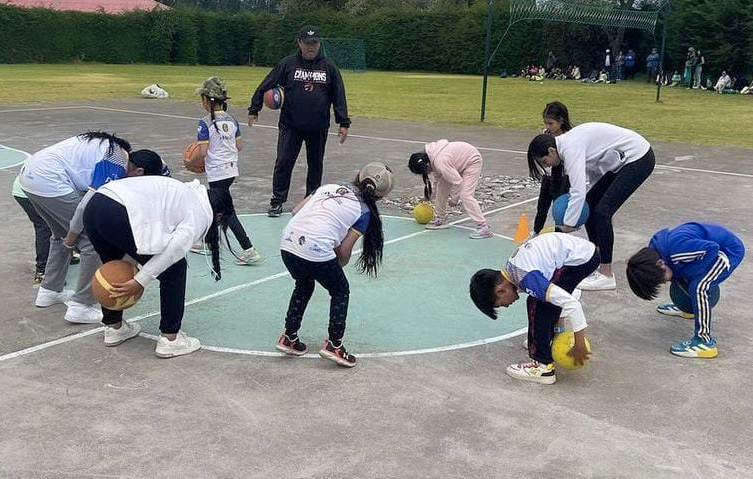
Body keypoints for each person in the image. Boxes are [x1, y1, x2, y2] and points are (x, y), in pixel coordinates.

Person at [82, 175, 237, 357]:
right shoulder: (200, 212)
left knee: (114, 267)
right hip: (119, 212)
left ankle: (114, 327)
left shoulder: (187, 192)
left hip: (95, 206)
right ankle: (170, 339)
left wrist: (139, 269)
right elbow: (174, 249)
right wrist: (141, 280)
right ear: (218, 215)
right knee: (175, 269)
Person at [19, 132, 163, 323]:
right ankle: (81, 305)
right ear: (139, 172)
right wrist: (72, 234)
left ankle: (49, 290)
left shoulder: (112, 148)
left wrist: (68, 234)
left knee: (58, 235)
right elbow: (85, 206)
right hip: (49, 181)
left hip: (29, 177)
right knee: (92, 239)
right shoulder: (115, 163)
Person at [275, 162, 394, 368]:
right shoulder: (364, 212)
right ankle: (334, 345)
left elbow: (295, 211)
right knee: (340, 290)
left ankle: (289, 337)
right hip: (315, 249)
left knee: (304, 285)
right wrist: (337, 266)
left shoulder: (327, 186)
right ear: (380, 197)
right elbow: (344, 251)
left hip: (287, 243)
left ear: (357, 174)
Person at [527, 122, 655, 291]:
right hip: (622, 161)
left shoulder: (570, 147)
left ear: (551, 151)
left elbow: (577, 190)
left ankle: (606, 274)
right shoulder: (567, 147)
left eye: (545, 161)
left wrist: (568, 225)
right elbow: (594, 175)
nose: (548, 166)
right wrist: (588, 206)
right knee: (592, 206)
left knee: (602, 213)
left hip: (638, 157)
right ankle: (596, 261)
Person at [247, 24, 351, 217]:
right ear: (299, 43)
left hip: (318, 127)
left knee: (315, 164)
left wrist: (343, 122)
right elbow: (266, 85)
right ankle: (277, 200)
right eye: (307, 43)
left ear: (319, 44)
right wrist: (255, 108)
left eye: (315, 43)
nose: (311, 47)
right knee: (284, 162)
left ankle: (311, 200)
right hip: (290, 125)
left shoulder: (329, 67)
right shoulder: (288, 64)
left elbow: (339, 96)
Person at [469, 233, 600, 384]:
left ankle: (542, 367)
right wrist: (557, 330)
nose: (506, 306)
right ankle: (546, 341)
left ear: (500, 290)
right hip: (582, 254)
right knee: (543, 299)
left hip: (580, 260)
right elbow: (562, 296)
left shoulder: (526, 277)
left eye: (500, 304)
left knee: (538, 305)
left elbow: (571, 303)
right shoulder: (512, 270)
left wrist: (579, 343)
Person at [626, 223, 744, 358]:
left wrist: (692, 274)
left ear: (660, 264)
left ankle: (704, 342)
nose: (664, 282)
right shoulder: (655, 254)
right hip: (707, 248)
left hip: (727, 251)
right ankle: (689, 308)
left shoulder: (678, 252)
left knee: (699, 286)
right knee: (679, 274)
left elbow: (712, 249)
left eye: (661, 280)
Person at [193, 76, 262, 265]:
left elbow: (203, 151)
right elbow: (239, 146)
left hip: (217, 173)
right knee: (213, 205)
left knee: (227, 212)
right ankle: (207, 241)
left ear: (207, 100)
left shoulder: (204, 123)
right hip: (230, 171)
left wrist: (191, 161)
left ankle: (248, 248)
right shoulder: (232, 120)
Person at [408, 140, 493, 239]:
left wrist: (454, 199)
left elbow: (458, 181)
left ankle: (483, 227)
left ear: (426, 165)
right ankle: (441, 218)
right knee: (441, 186)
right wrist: (428, 197)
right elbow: (435, 182)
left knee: (465, 195)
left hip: (472, 161)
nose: (428, 172)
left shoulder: (440, 163)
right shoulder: (432, 159)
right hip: (456, 164)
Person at [12, 174, 80, 284]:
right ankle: (42, 271)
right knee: (45, 227)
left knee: (58, 221)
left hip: (29, 187)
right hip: (34, 190)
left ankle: (66, 255)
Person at [533, 102, 572, 236]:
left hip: (562, 179)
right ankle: (536, 233)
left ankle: (560, 235)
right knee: (542, 207)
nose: (547, 127)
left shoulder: (569, 137)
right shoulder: (546, 134)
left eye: (550, 123)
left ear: (561, 121)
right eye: (546, 123)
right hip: (547, 177)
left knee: (559, 209)